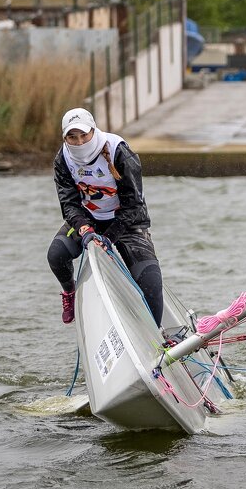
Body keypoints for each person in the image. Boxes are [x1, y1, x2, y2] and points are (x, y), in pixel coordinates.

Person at [47, 107, 163, 326]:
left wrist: (109, 237)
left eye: (84, 135)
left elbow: (134, 205)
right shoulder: (63, 157)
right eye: (72, 137)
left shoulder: (119, 151)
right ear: (65, 138)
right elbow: (69, 203)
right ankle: (69, 293)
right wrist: (85, 229)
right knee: (56, 256)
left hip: (127, 223)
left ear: (93, 130)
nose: (79, 142)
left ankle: (156, 335)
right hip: (89, 219)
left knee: (151, 282)